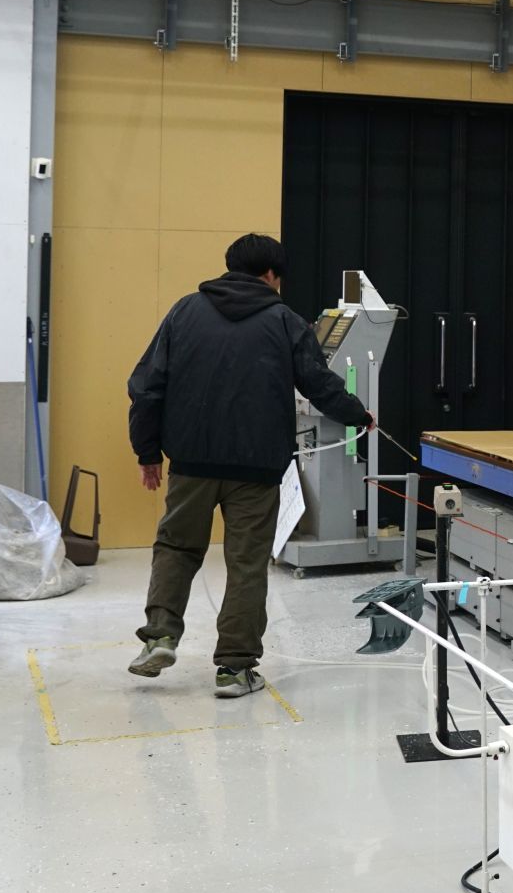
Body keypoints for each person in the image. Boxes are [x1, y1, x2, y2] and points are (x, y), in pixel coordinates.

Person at [127, 234, 373, 698]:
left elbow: (146, 385)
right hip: (256, 469)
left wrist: (147, 452)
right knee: (246, 563)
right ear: (272, 275)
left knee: (176, 548)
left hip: (191, 462)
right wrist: (358, 414)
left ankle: (160, 637)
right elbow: (319, 384)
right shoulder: (285, 321)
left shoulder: (184, 312)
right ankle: (234, 670)